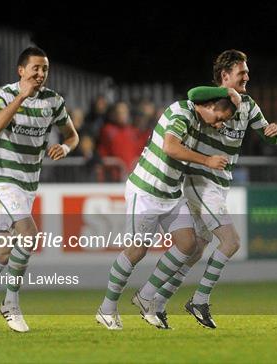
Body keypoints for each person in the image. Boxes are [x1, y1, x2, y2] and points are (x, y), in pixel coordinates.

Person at [0, 47, 79, 333]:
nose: (40, 74)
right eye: (35, 68)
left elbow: (72, 134)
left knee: (3, 252)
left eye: (45, 69)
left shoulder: (53, 102)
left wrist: (66, 147)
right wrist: (22, 97)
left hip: (28, 184)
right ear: (21, 70)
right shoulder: (3, 95)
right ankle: (11, 303)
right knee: (29, 235)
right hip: (2, 180)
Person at [150, 49, 277, 329]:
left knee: (197, 247)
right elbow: (191, 93)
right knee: (231, 241)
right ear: (225, 76)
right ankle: (199, 300)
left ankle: (157, 301)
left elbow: (269, 137)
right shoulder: (209, 98)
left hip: (220, 184)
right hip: (200, 179)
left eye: (247, 72)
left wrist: (274, 132)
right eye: (241, 73)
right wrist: (223, 90)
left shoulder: (248, 105)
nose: (247, 76)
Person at [96, 93, 238, 330]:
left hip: (171, 194)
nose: (219, 124)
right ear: (210, 105)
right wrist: (207, 161)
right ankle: (107, 308)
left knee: (188, 243)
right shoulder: (181, 112)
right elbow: (170, 147)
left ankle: (146, 295)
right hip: (146, 191)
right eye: (219, 118)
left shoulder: (199, 122)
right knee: (137, 251)